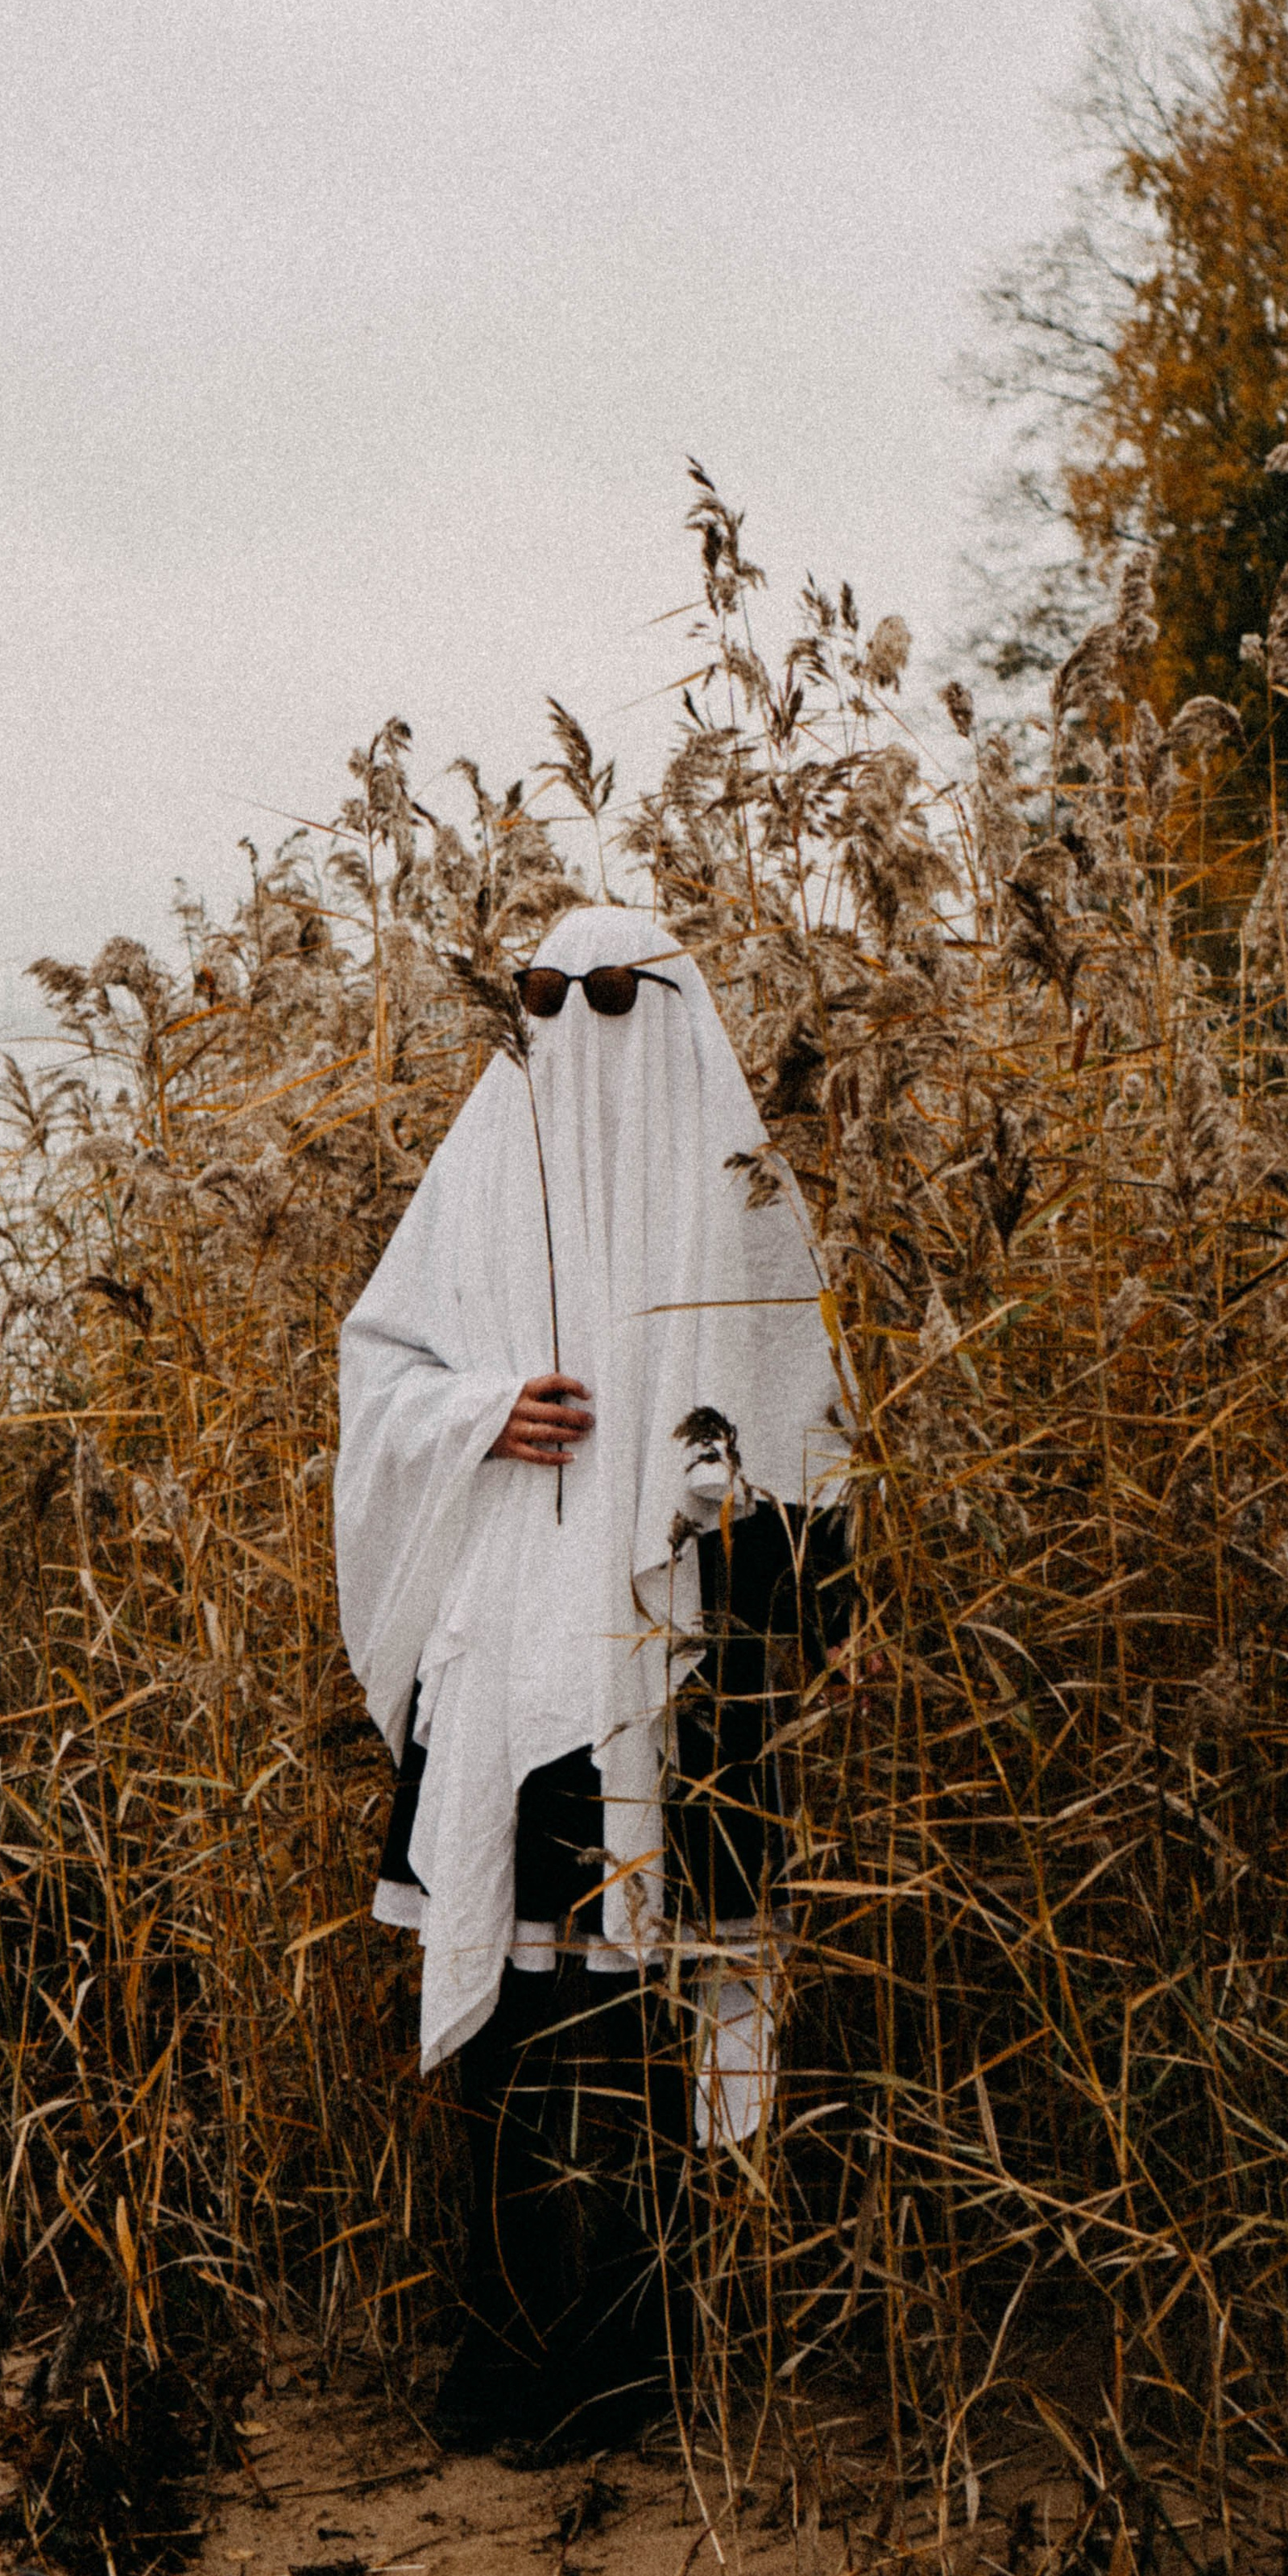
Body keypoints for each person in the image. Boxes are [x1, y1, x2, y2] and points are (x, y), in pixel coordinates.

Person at [334, 905, 848, 2456]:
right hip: (505, 1664)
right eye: (550, 999)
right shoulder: (490, 1157)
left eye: (615, 998)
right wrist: (483, 1409)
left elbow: (806, 1429)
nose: (580, 1031)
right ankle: (498, 2349)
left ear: (672, 1007)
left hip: (672, 1669)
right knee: (508, 2030)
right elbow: (381, 1366)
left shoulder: (741, 1199)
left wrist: (747, 1547)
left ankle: (637, 2357)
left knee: (646, 2016)